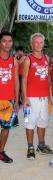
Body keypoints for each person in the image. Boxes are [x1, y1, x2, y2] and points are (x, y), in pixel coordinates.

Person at [22, 33, 53, 159]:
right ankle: (30, 147)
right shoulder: (28, 59)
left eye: (41, 42)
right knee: (29, 123)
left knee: (43, 122)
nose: (39, 44)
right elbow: (24, 79)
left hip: (44, 98)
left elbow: (48, 79)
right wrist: (24, 98)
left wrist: (50, 97)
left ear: (43, 43)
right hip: (31, 98)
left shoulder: (46, 57)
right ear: (32, 44)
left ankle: (41, 145)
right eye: (36, 42)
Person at [0, 31, 19, 163]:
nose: (7, 44)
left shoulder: (14, 60)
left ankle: (1, 152)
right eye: (4, 41)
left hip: (9, 100)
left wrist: (17, 100)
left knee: (6, 128)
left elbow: (16, 81)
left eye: (10, 41)